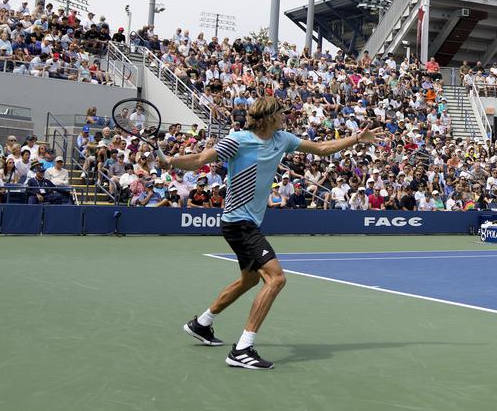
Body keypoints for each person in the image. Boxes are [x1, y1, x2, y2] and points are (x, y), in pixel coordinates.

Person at [164, 96, 386, 370]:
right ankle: (242, 349)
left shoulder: (282, 139)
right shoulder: (238, 140)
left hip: (249, 223)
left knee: (249, 281)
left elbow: (321, 148)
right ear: (269, 117)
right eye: (281, 112)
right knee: (276, 278)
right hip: (238, 222)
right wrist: (172, 160)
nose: (285, 116)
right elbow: (199, 159)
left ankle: (202, 323)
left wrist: (354, 139)